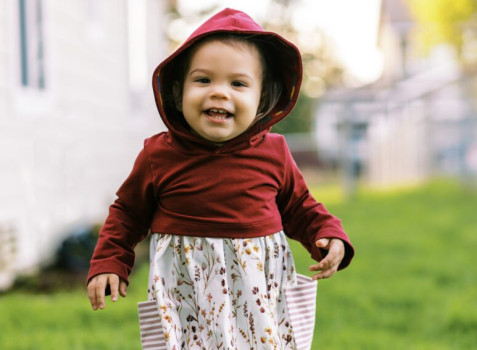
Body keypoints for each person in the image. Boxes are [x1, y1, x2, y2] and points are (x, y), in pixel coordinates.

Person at [87, 8, 354, 350]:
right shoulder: (160, 155)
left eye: (238, 83)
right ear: (178, 89)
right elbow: (127, 212)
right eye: (203, 80)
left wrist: (328, 235)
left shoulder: (273, 152)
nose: (219, 92)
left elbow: (301, 206)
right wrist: (110, 260)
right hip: (187, 296)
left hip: (257, 297)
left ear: (262, 99)